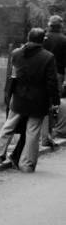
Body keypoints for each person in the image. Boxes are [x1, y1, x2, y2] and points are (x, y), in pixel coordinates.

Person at [0, 28, 60, 172]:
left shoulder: (16, 53)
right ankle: (26, 164)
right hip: (38, 100)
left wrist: (9, 95)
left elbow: (13, 76)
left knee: (8, 127)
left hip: (18, 97)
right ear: (43, 40)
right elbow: (52, 82)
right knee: (32, 132)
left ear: (28, 37)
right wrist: (55, 100)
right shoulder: (48, 57)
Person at [42, 15, 66, 147]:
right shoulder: (64, 40)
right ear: (60, 26)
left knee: (41, 102)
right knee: (53, 104)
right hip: (57, 74)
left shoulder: (42, 37)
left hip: (41, 73)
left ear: (50, 25)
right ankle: (48, 133)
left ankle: (42, 134)